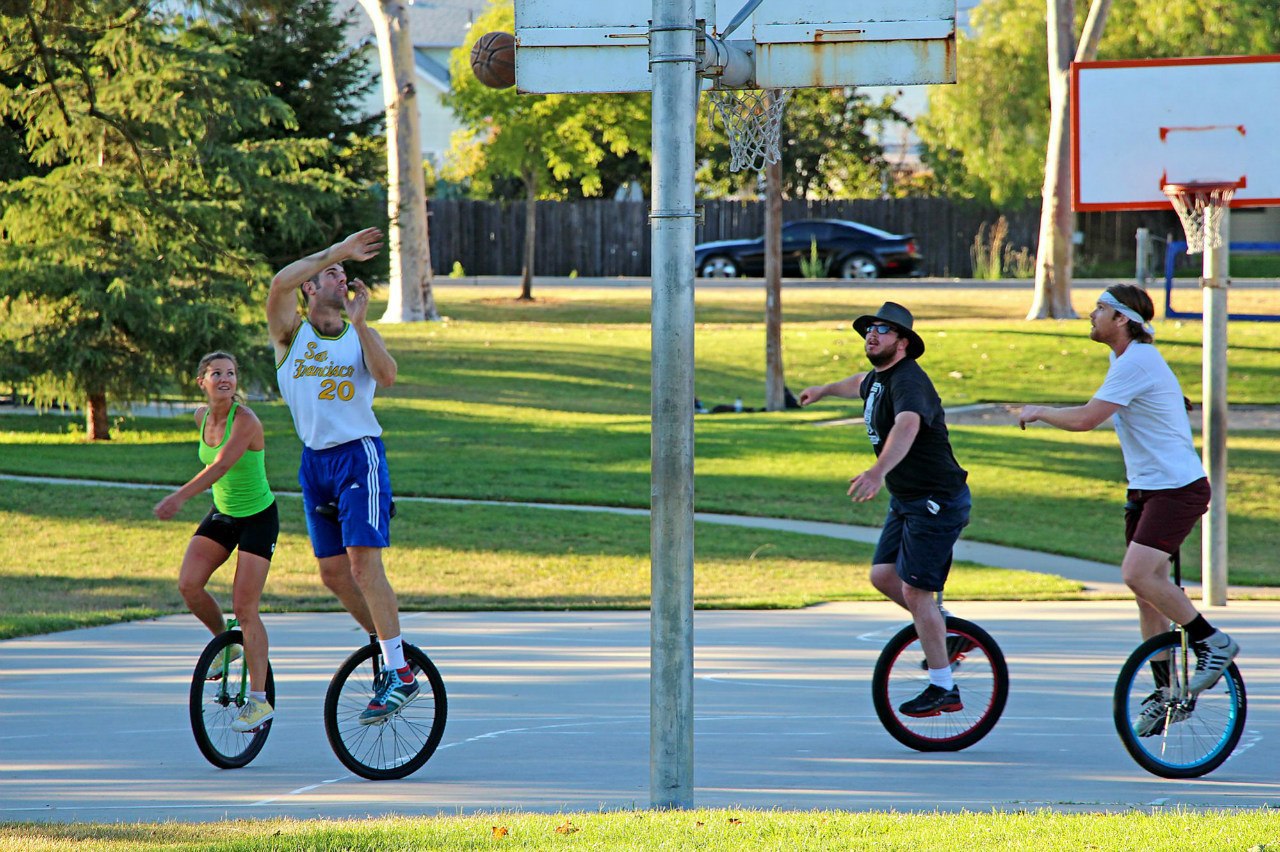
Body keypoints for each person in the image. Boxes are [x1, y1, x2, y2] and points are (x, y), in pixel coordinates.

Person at [1018, 284, 1238, 735]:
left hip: (1177, 489)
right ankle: (1166, 692)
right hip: (1147, 490)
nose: (1091, 315)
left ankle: (1212, 641)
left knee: (1138, 573)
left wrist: (1039, 409)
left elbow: (1085, 419)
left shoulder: (1136, 359)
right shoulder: (1126, 360)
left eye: (1099, 309)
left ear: (1121, 319)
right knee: (1146, 593)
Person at [267, 227, 416, 725]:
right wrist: (334, 252)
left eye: (344, 273)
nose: (341, 276)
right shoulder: (290, 334)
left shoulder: (358, 334)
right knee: (332, 574)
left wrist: (363, 325)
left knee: (362, 567)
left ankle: (400, 673)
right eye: (331, 273)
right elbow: (278, 285)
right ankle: (385, 642)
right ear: (311, 286)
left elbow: (389, 377)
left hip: (358, 456)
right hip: (315, 464)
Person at [799, 302, 972, 718]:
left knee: (916, 591)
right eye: (868, 330)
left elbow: (907, 425)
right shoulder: (881, 378)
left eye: (882, 330)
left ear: (904, 342)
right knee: (884, 575)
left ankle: (943, 688)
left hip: (936, 501)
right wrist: (823, 390)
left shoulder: (910, 381)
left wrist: (877, 471)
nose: (872, 336)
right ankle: (944, 633)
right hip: (909, 499)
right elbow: (859, 382)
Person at [154, 351, 278, 733]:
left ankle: (258, 701)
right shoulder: (201, 417)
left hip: (258, 519)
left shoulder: (246, 420)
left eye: (231, 373)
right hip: (223, 513)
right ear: (201, 382)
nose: (225, 379)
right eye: (217, 374)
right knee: (189, 585)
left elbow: (221, 465)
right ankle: (227, 645)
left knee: (245, 607)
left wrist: (179, 497)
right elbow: (217, 469)